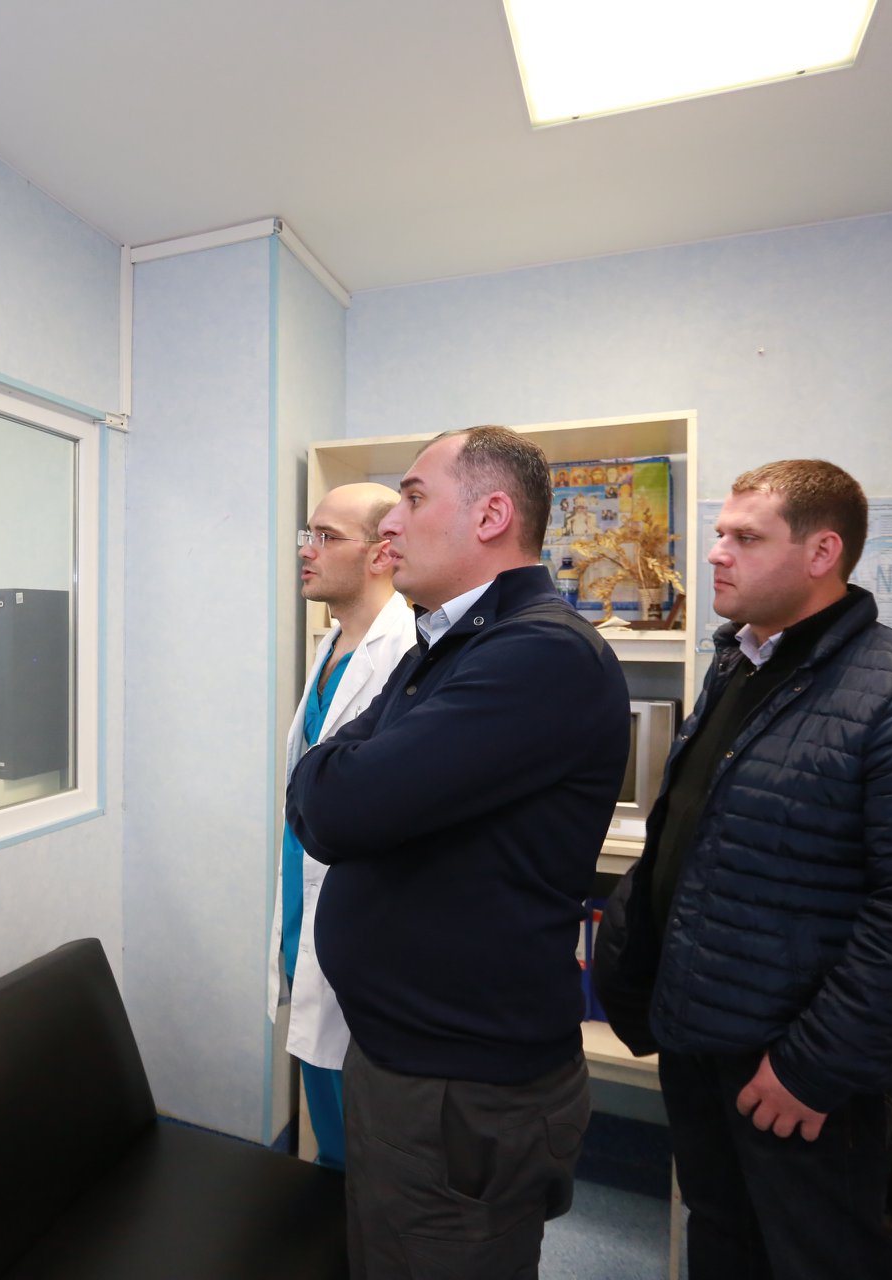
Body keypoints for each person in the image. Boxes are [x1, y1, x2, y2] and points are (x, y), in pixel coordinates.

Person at [593, 459, 892, 1280]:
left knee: (820, 1257)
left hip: (799, 1069)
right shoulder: (740, 665)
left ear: (822, 553)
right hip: (702, 1040)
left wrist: (811, 1070)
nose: (716, 553)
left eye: (745, 538)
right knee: (724, 1241)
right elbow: (692, 836)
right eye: (720, 533)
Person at [287, 426, 629, 1278]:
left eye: (412, 497)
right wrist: (332, 780)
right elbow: (323, 785)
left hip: (462, 1088)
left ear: (491, 516)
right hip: (407, 1057)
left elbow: (336, 802)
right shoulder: (449, 645)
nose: (390, 524)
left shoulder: (539, 654)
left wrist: (333, 780)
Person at [267, 482, 416, 1171]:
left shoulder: (407, 651)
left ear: (382, 553)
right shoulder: (331, 644)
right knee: (334, 1148)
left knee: (374, 1160)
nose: (307, 550)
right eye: (308, 533)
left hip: (365, 945)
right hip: (308, 927)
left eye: (327, 537)